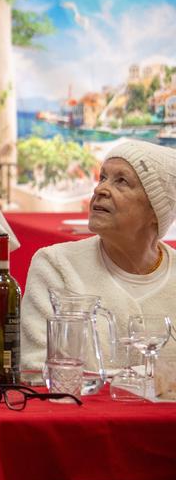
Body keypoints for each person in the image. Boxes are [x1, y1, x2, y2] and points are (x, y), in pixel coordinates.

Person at [20, 140, 176, 371]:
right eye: (103, 177)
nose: (99, 189)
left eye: (121, 181)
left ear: (156, 210)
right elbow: (37, 366)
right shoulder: (55, 265)